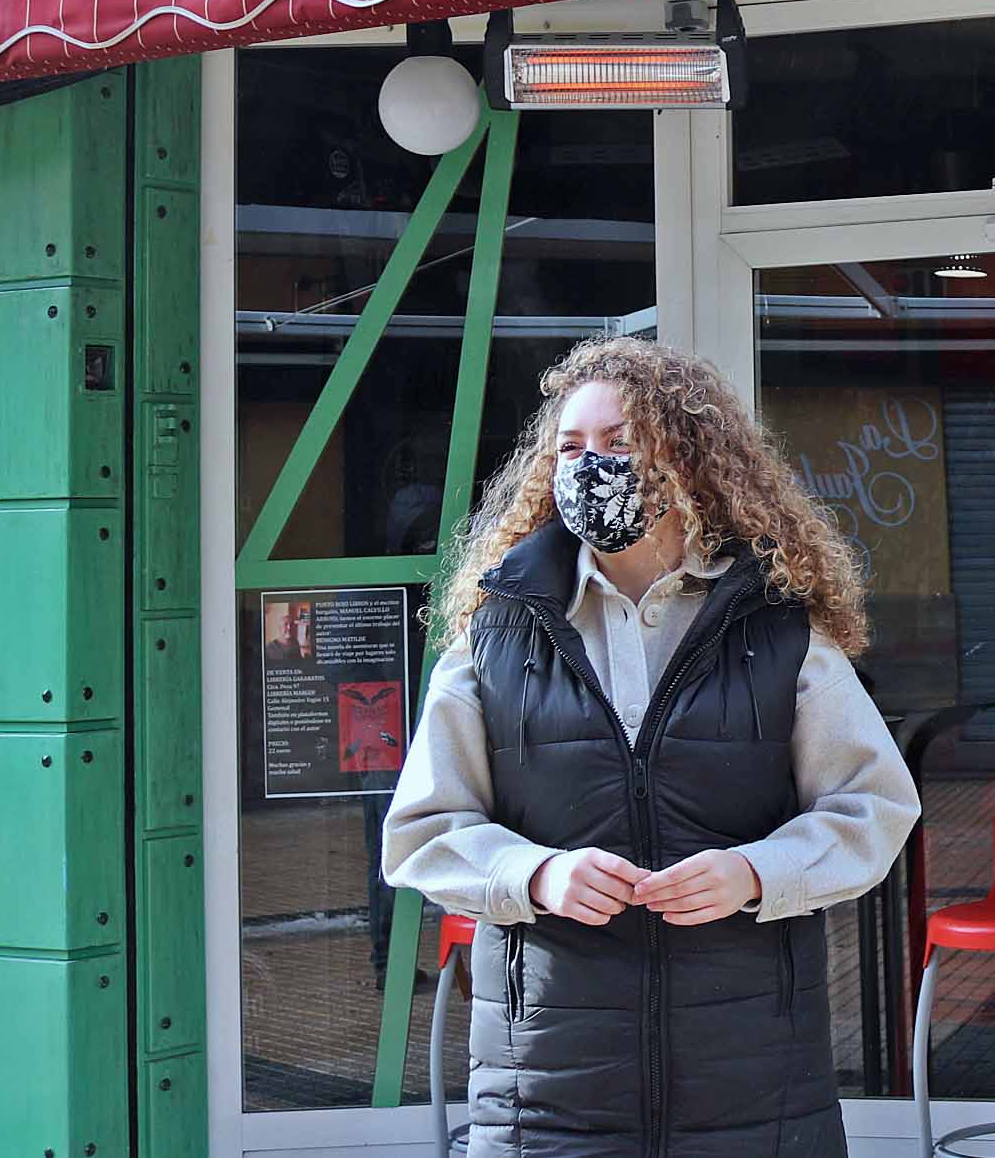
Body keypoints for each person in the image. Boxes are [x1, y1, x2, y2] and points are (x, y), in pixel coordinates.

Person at [383, 337, 919, 1157]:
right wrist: (537, 872)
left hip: (752, 1084)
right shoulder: (497, 628)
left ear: (687, 458)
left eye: (617, 443)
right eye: (570, 447)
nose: (589, 465)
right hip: (549, 1094)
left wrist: (756, 872)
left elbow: (873, 806)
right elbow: (423, 828)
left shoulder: (774, 625)